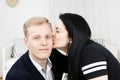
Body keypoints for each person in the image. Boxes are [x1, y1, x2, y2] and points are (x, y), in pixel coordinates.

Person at [53, 13, 120, 80]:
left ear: (71, 36)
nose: (52, 34)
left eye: (57, 31)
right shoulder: (77, 54)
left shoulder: (91, 53)